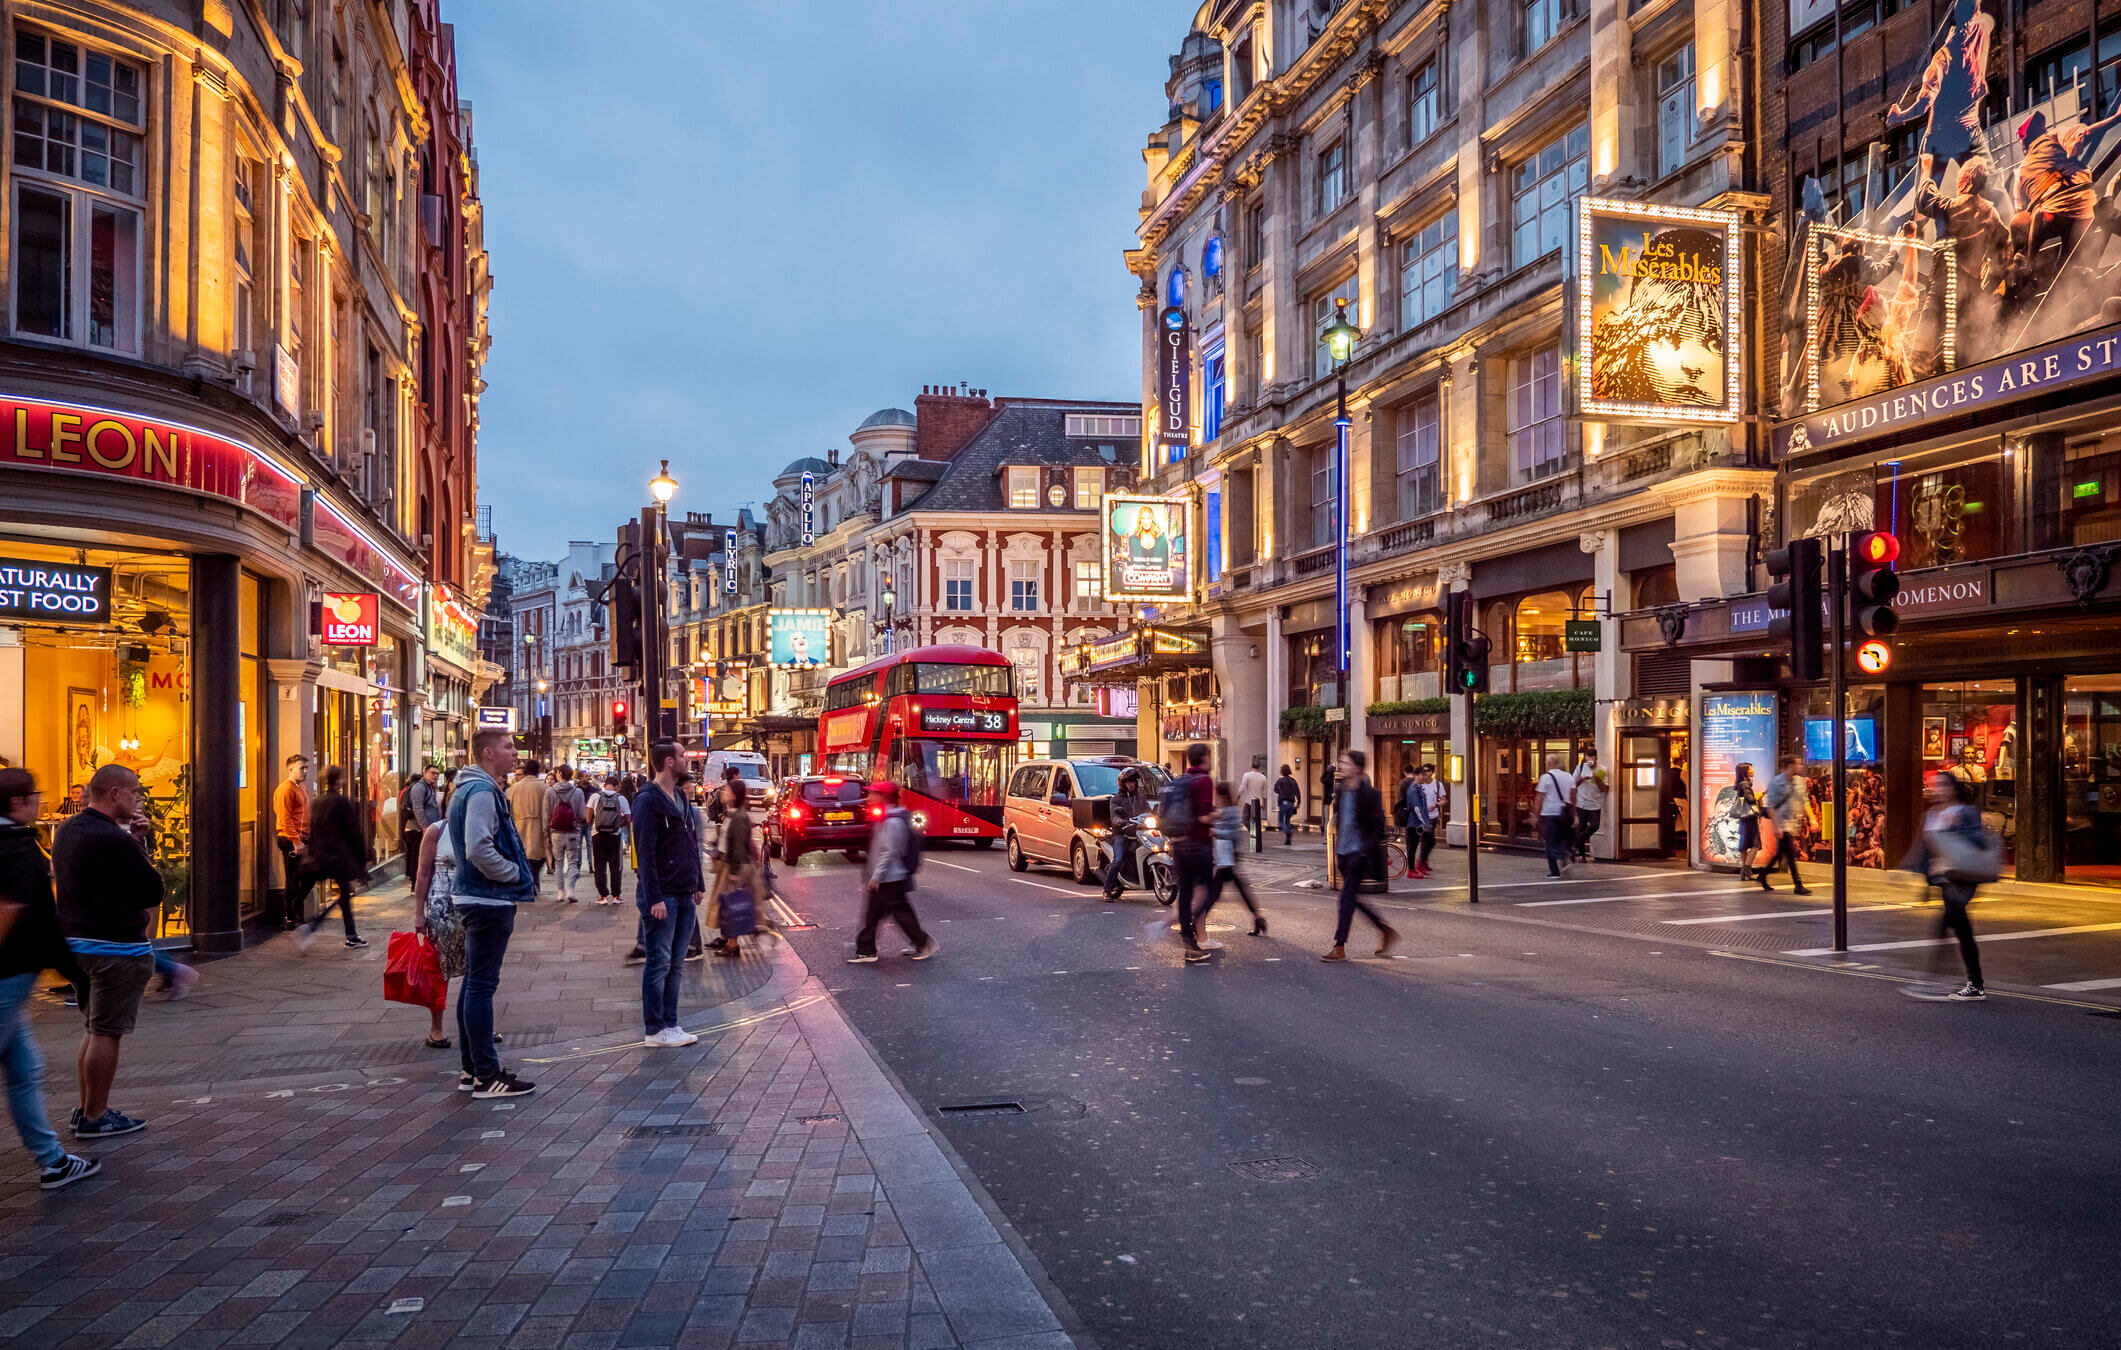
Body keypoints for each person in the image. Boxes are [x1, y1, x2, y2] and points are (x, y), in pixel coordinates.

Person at [0, 768, 101, 1188]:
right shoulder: (17, 847)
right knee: (23, 1069)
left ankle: (53, 1161)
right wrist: (75, 973)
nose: (40, 802)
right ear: (18, 803)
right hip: (9, 974)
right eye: (35, 796)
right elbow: (37, 918)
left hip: (15, 978)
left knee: (25, 1068)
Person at [52, 764, 162, 1138]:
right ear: (114, 793)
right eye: (134, 792)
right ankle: (96, 1117)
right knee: (106, 1032)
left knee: (93, 1027)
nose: (138, 799)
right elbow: (151, 890)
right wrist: (139, 844)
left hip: (77, 945)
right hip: (115, 949)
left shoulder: (69, 830)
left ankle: (86, 1108)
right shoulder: (113, 839)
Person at [448, 728, 538, 1098]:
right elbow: (478, 847)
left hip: (474, 897)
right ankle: (487, 1074)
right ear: (488, 752)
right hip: (487, 899)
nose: (515, 753)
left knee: (472, 985)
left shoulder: (467, 788)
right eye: (508, 747)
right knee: (482, 986)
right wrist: (514, 873)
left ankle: (472, 1070)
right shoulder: (483, 791)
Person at [1899, 770, 1994, 1002]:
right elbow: (1923, 849)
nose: (1938, 789)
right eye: (1935, 785)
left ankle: (1938, 981)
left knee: (1945, 928)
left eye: (1943, 785)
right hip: (1944, 882)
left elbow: (1977, 841)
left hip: (1962, 880)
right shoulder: (1931, 815)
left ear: (1953, 788)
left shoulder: (1966, 812)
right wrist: (1912, 873)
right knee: (1962, 931)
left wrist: (1957, 827)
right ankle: (1972, 983)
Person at [634, 742, 704, 1046]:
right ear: (668, 762)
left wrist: (698, 881)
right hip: (663, 896)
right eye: (682, 757)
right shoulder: (647, 800)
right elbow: (645, 854)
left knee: (676, 964)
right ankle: (655, 1029)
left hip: (684, 893)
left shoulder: (679, 797)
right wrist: (655, 898)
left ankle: (671, 1024)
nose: (686, 761)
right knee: (659, 963)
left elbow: (689, 842)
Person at [1321, 750, 1397, 962]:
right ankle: (1383, 928)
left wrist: (1364, 851)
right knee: (1351, 898)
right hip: (1344, 853)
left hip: (1358, 855)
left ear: (1357, 767)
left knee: (1345, 899)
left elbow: (1379, 827)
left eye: (1345, 762)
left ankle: (1339, 946)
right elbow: (1341, 821)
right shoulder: (1342, 790)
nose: (1341, 765)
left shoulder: (1370, 794)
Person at [850, 781, 935, 963]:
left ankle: (869, 950)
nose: (870, 797)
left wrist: (876, 876)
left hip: (890, 877)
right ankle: (919, 943)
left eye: (874, 794)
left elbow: (889, 852)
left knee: (885, 914)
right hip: (890, 876)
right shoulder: (887, 818)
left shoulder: (893, 821)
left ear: (884, 797)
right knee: (892, 912)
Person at [410, 780, 465, 1050]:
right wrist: (419, 913)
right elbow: (423, 874)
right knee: (438, 971)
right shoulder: (436, 831)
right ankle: (437, 1030)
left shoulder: (477, 829)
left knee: (478, 972)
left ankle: (478, 1025)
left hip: (472, 908)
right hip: (442, 908)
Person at [297, 766, 370, 948]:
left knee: (307, 890)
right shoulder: (341, 802)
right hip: (338, 856)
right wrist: (363, 857)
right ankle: (318, 927)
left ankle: (304, 923)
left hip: (320, 855)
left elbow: (311, 829)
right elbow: (353, 833)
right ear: (339, 780)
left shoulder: (316, 801)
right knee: (344, 895)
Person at [1163, 744, 1218, 963]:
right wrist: (1219, 815)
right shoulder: (1204, 781)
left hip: (1179, 844)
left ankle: (1189, 942)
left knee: (1185, 894)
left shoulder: (1179, 781)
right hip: (1198, 845)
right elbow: (1204, 817)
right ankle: (1192, 922)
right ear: (1204, 758)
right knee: (1212, 890)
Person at [1205, 783, 1265, 936]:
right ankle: (1258, 918)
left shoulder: (1232, 811)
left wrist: (1215, 831)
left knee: (1214, 892)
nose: (1216, 798)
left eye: (1217, 795)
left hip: (1229, 856)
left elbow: (1232, 834)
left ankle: (1197, 922)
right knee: (1240, 889)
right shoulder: (1222, 811)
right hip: (1224, 857)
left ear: (1223, 796)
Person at [716, 779, 759, 959]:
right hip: (728, 865)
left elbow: (739, 847)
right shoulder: (732, 814)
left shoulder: (740, 818)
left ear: (734, 795)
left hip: (735, 867)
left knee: (733, 906)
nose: (723, 793)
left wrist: (735, 873)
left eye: (726, 790)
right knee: (728, 906)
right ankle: (728, 940)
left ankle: (733, 944)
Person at [1759, 755, 1812, 896]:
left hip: (1794, 821)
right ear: (1790, 766)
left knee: (1782, 853)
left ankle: (1763, 875)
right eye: (1798, 764)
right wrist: (1776, 826)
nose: (1800, 767)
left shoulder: (1800, 782)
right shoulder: (1775, 783)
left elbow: (1805, 800)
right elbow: (1771, 807)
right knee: (1789, 852)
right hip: (1782, 822)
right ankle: (1798, 884)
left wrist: (1812, 818)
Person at [273, 754, 313, 929]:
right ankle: (290, 917)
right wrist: (296, 842)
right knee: (292, 879)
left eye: (306, 767)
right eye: (301, 768)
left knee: (309, 875)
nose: (305, 771)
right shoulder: (285, 789)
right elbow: (285, 818)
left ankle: (295, 909)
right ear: (291, 769)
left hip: (302, 838)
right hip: (290, 839)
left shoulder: (301, 787)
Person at [1102, 767, 1149, 901]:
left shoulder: (1141, 797)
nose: (1132, 784)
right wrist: (1120, 821)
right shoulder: (1116, 799)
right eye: (1128, 782)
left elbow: (1148, 811)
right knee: (1118, 860)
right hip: (1121, 834)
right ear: (1122, 784)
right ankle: (1107, 890)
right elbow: (1114, 816)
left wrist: (1157, 815)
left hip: (1140, 833)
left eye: (1133, 782)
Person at [507, 761, 551, 895]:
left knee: (523, 857)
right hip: (539, 828)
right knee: (538, 858)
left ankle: (529, 883)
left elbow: (507, 811)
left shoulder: (514, 788)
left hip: (520, 827)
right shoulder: (544, 788)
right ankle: (533, 882)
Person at [544, 765, 587, 902]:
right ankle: (571, 889)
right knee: (573, 861)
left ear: (560, 773)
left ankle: (560, 892)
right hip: (573, 832)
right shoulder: (578, 792)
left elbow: (546, 814)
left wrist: (546, 832)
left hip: (556, 832)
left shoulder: (550, 791)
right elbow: (581, 814)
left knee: (558, 862)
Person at [588, 775, 630, 904]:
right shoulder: (621, 798)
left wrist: (593, 826)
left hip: (598, 835)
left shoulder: (595, 797)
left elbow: (588, 816)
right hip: (614, 836)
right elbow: (628, 818)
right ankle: (616, 896)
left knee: (599, 866)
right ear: (617, 786)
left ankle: (603, 896)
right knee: (615, 866)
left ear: (605, 784)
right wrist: (618, 825)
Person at [1532, 754, 1576, 880]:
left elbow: (1539, 797)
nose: (1546, 765)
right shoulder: (1568, 776)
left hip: (1549, 813)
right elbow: (1573, 797)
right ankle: (1565, 857)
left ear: (1550, 763)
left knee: (1550, 842)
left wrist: (1534, 815)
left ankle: (1555, 870)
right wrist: (1575, 814)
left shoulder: (1546, 777)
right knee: (1560, 839)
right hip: (1564, 813)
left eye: (1546, 763)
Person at [402, 765, 443, 865]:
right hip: (417, 830)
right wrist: (425, 827)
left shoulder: (430, 787)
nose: (435, 776)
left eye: (437, 773)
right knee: (417, 858)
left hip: (424, 829)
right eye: (432, 773)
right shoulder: (419, 787)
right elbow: (418, 808)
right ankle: (415, 879)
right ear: (425, 773)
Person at [1400, 765, 1433, 881]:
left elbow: (1422, 807)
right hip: (1413, 823)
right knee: (1412, 847)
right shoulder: (1413, 789)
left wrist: (1426, 822)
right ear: (1417, 775)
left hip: (1417, 823)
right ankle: (1411, 870)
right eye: (1423, 775)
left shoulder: (1419, 788)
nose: (1425, 777)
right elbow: (1417, 807)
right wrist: (1425, 822)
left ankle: (1415, 868)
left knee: (1418, 844)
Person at [1732, 763, 1763, 883]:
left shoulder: (1742, 784)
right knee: (1755, 845)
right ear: (1745, 772)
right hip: (1750, 818)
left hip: (1744, 818)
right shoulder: (1745, 784)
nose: (1753, 771)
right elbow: (1750, 799)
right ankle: (1746, 869)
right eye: (1750, 769)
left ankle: (1744, 870)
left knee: (1744, 845)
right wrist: (1760, 795)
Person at [1572, 756, 1606, 863]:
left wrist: (1598, 780)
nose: (1590, 762)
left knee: (1595, 826)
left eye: (1592, 760)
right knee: (1581, 828)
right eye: (1588, 760)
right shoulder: (1580, 768)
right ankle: (1581, 856)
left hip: (1595, 804)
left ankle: (1574, 842)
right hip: (1581, 803)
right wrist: (1581, 779)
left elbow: (1604, 789)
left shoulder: (1602, 770)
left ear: (1596, 758)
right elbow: (1572, 784)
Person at [1414, 764, 1444, 875]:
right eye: (1423, 771)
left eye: (1426, 771)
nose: (1424, 773)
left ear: (1431, 772)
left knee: (1427, 840)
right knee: (1429, 840)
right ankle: (1421, 863)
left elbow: (1443, 800)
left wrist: (1436, 805)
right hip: (1422, 818)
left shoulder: (1437, 785)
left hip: (1433, 816)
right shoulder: (1418, 785)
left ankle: (1423, 862)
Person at [1235, 761, 1268, 834]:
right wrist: (1264, 804)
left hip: (1249, 802)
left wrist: (1237, 798)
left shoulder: (1247, 775)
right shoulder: (1263, 778)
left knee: (1245, 819)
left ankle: (1253, 833)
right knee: (1255, 821)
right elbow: (1265, 793)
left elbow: (1242, 787)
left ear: (1251, 766)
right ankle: (1255, 835)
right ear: (1259, 767)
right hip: (1258, 803)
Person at [1273, 764, 1300, 845]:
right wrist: (1299, 802)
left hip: (1283, 802)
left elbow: (1276, 790)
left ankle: (1287, 832)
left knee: (1281, 821)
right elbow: (1297, 792)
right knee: (1287, 820)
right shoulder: (1293, 781)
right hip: (1291, 803)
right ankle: (1288, 838)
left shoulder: (1279, 781)